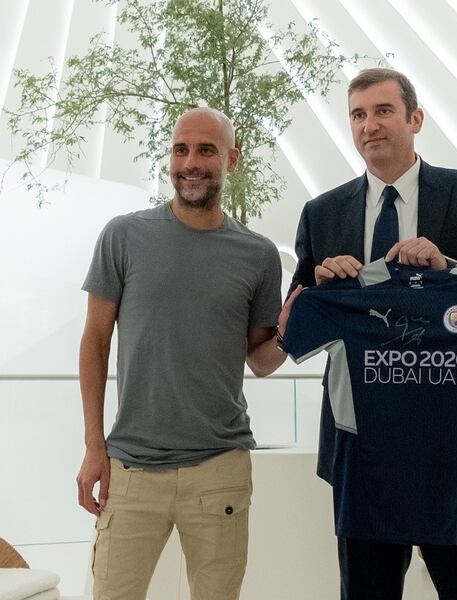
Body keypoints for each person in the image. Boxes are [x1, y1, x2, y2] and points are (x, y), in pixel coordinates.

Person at [290, 67, 457, 600]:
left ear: (416, 118)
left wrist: (451, 267)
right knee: (366, 591)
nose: (370, 126)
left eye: (383, 111)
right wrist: (317, 285)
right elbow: (291, 318)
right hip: (361, 449)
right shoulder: (322, 213)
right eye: (358, 115)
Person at [76, 107, 290, 600]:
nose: (190, 162)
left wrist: (293, 330)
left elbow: (260, 361)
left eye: (206, 150)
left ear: (231, 159)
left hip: (220, 473)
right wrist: (94, 447)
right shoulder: (124, 236)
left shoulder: (258, 255)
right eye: (181, 149)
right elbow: (95, 341)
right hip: (128, 471)